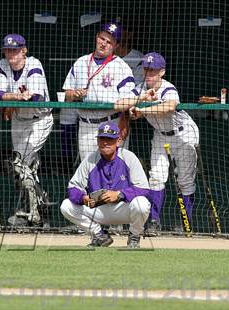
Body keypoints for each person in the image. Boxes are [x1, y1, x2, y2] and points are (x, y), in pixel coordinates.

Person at [115, 52, 199, 236]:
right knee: (156, 177)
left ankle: (186, 223)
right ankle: (154, 221)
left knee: (185, 180)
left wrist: (142, 111)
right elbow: (119, 104)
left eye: (152, 71)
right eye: (146, 70)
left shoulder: (168, 87)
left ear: (162, 72)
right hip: (161, 135)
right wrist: (141, 100)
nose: (148, 74)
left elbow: (169, 106)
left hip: (183, 133)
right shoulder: (141, 88)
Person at [0, 33, 53, 226]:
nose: (11, 54)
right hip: (18, 119)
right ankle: (35, 212)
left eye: (15, 50)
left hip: (39, 119)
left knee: (20, 163)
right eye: (8, 50)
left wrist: (11, 99)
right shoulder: (3, 65)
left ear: (24, 50)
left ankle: (37, 205)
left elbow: (34, 97)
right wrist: (17, 97)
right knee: (26, 169)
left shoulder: (34, 64)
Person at [60, 121, 151, 248]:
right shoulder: (91, 159)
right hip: (99, 210)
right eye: (102, 138)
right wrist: (83, 198)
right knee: (66, 206)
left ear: (118, 141)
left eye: (110, 139)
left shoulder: (129, 157)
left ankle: (134, 236)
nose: (105, 142)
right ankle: (100, 235)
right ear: (97, 141)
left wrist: (120, 194)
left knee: (142, 204)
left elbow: (144, 189)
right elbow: (73, 187)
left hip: (122, 208)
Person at [62, 22, 135, 162]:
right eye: (102, 38)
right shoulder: (81, 62)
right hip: (85, 124)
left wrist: (124, 125)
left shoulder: (122, 67)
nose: (104, 44)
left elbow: (128, 101)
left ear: (116, 46)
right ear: (97, 37)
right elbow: (66, 93)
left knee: (113, 169)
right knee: (88, 167)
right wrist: (73, 94)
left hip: (111, 123)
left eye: (109, 42)